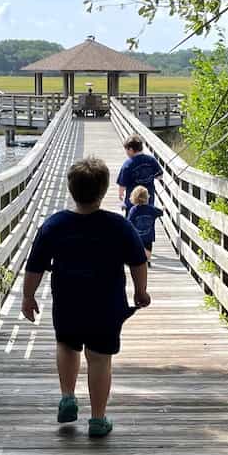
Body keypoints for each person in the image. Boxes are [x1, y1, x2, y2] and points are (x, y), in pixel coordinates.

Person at [22, 155, 150, 437]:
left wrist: (28, 296)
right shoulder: (119, 226)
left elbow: (34, 266)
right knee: (99, 358)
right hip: (106, 305)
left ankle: (68, 397)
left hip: (67, 302)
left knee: (67, 346)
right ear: (104, 190)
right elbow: (138, 261)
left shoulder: (54, 225)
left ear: (71, 189)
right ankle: (97, 419)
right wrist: (140, 291)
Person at [117, 134, 163, 213]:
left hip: (132, 201)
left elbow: (122, 184)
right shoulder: (151, 160)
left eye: (126, 150)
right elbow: (160, 176)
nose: (126, 153)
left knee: (131, 219)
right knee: (148, 218)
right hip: (148, 198)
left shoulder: (128, 164)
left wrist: (120, 194)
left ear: (131, 149)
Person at [127, 184, 163, 265]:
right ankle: (148, 261)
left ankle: (139, 261)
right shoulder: (151, 209)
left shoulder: (133, 210)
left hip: (137, 235)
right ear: (147, 198)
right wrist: (162, 209)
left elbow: (129, 221)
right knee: (148, 248)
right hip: (149, 235)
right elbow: (160, 213)